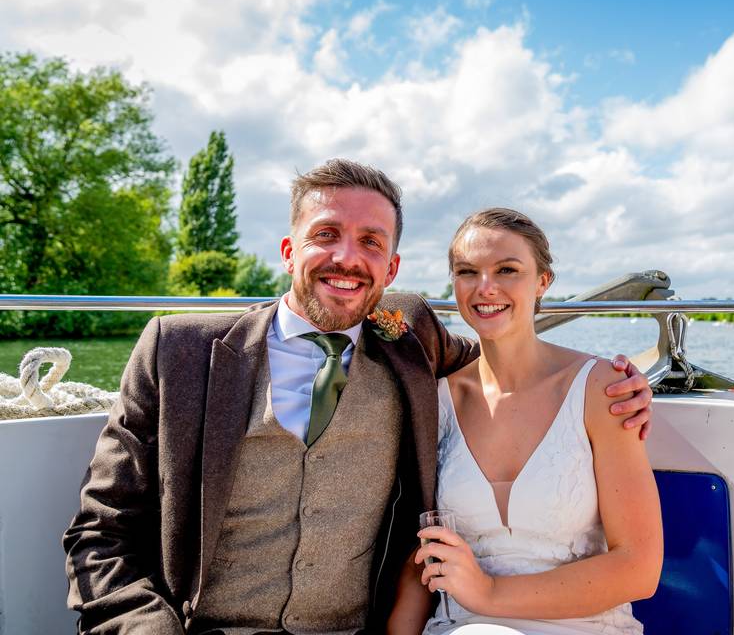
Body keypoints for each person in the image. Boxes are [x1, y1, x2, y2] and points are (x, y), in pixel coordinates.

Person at [63, 160, 654, 635]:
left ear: (392, 267)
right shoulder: (180, 350)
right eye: (326, 235)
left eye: (370, 242)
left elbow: (509, 365)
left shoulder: (411, 337)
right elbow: (102, 532)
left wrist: (622, 382)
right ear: (289, 251)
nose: (348, 258)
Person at [388, 209, 663, 635]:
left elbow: (639, 568)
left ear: (542, 282)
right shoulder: (437, 401)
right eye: (467, 272)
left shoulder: (602, 390)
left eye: (507, 270)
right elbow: (419, 560)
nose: (485, 288)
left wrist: (490, 592)